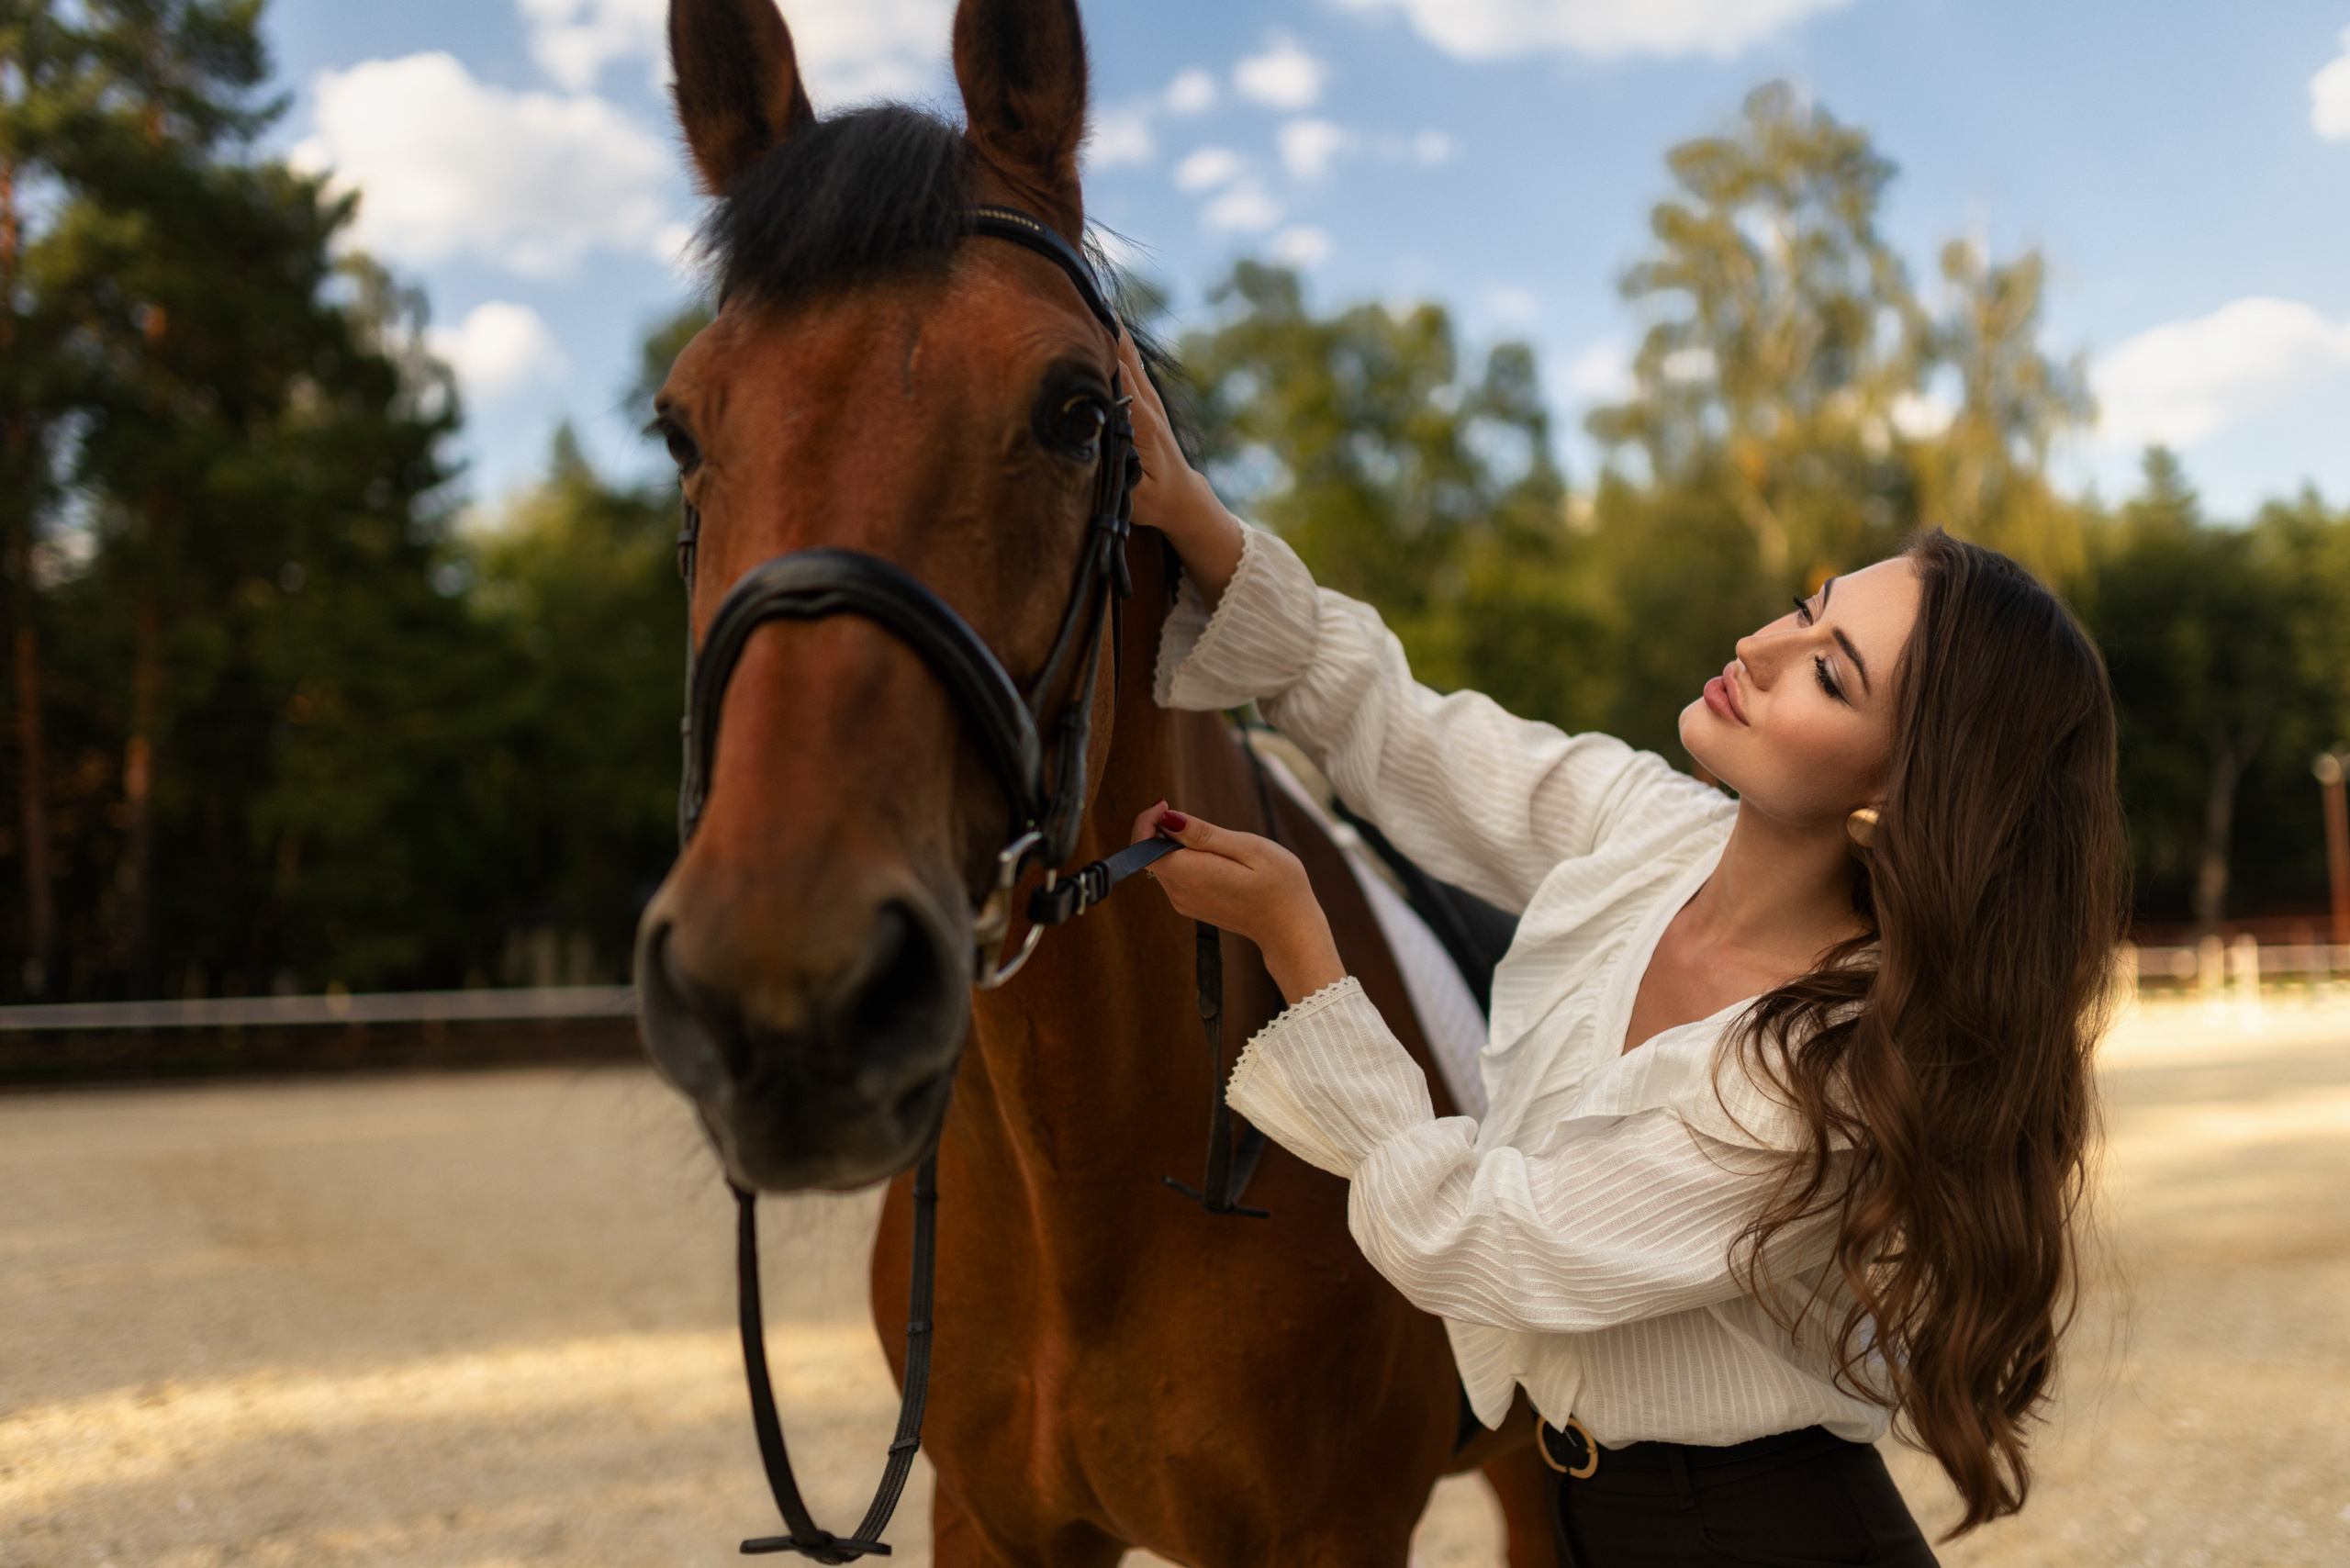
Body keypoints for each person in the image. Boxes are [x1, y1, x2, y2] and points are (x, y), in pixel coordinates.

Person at [1113, 335, 2123, 1566]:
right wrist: (1194, 520)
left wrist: (1301, 951)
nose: (1760, 647)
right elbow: (1402, 729)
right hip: (1590, 1518)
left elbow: (1487, 1243)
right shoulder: (1651, 836)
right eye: (1807, 608)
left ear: (1898, 803)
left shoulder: (1828, 1072)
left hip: (1755, 1538)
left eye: (1830, 675)